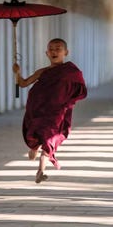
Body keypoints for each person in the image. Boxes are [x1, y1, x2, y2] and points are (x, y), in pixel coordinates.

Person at [12, 38, 87, 183]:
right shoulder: (43, 72)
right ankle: (34, 148)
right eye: (51, 49)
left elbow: (80, 89)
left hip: (56, 113)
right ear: (46, 53)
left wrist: (68, 101)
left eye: (58, 48)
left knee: (49, 140)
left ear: (66, 52)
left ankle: (40, 171)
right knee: (37, 136)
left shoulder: (71, 71)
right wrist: (17, 72)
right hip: (39, 110)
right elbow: (23, 83)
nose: (54, 51)